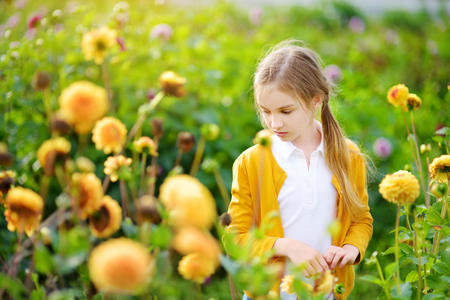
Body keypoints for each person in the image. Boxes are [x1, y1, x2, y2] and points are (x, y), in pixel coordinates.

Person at [227, 40, 373, 300]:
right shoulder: (251, 162)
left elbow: (361, 219)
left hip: (327, 293)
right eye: (266, 111)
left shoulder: (348, 156)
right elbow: (235, 237)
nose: (274, 122)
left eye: (286, 110)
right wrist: (286, 246)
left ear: (316, 100)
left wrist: (351, 248)